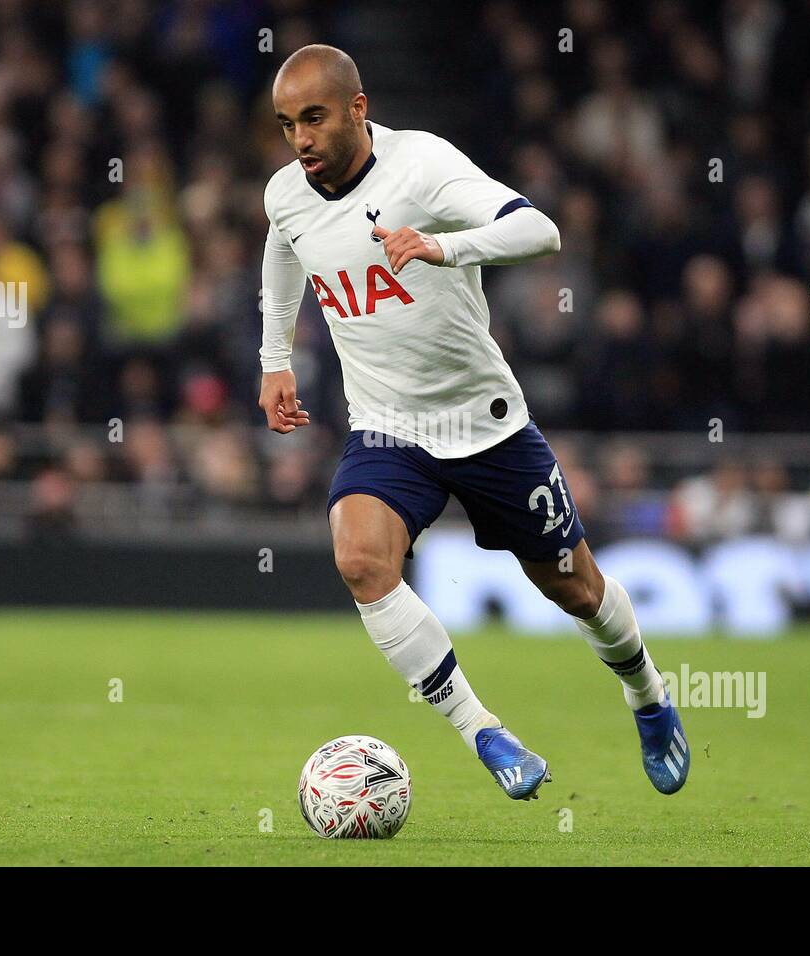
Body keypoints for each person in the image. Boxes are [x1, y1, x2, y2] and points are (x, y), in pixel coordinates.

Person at [257, 45, 688, 801]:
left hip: (485, 424)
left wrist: (442, 247)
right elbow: (284, 247)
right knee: (360, 561)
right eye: (288, 124)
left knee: (578, 591)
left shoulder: (422, 167)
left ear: (358, 109)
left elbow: (539, 231)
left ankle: (648, 696)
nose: (300, 140)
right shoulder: (287, 193)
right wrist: (274, 357)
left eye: (314, 118)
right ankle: (483, 730)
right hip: (387, 427)